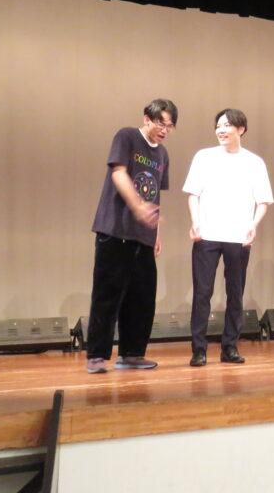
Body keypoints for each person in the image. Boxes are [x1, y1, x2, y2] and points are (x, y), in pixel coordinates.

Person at [85, 98, 177, 374]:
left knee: (142, 297)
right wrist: (137, 206)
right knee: (107, 294)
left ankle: (132, 354)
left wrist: (156, 233)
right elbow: (119, 173)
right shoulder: (127, 136)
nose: (165, 130)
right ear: (147, 118)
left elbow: (156, 195)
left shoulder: (162, 154)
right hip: (116, 228)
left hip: (143, 236)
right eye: (161, 123)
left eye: (170, 126)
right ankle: (97, 355)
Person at [183, 108, 273, 367]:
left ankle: (230, 346)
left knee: (236, 293)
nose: (221, 130)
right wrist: (195, 222)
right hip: (207, 235)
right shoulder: (204, 157)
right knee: (202, 292)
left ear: (241, 129)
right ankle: (199, 349)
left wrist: (254, 225)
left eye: (227, 125)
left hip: (238, 236)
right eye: (218, 125)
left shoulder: (254, 162)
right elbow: (193, 194)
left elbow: (263, 201)